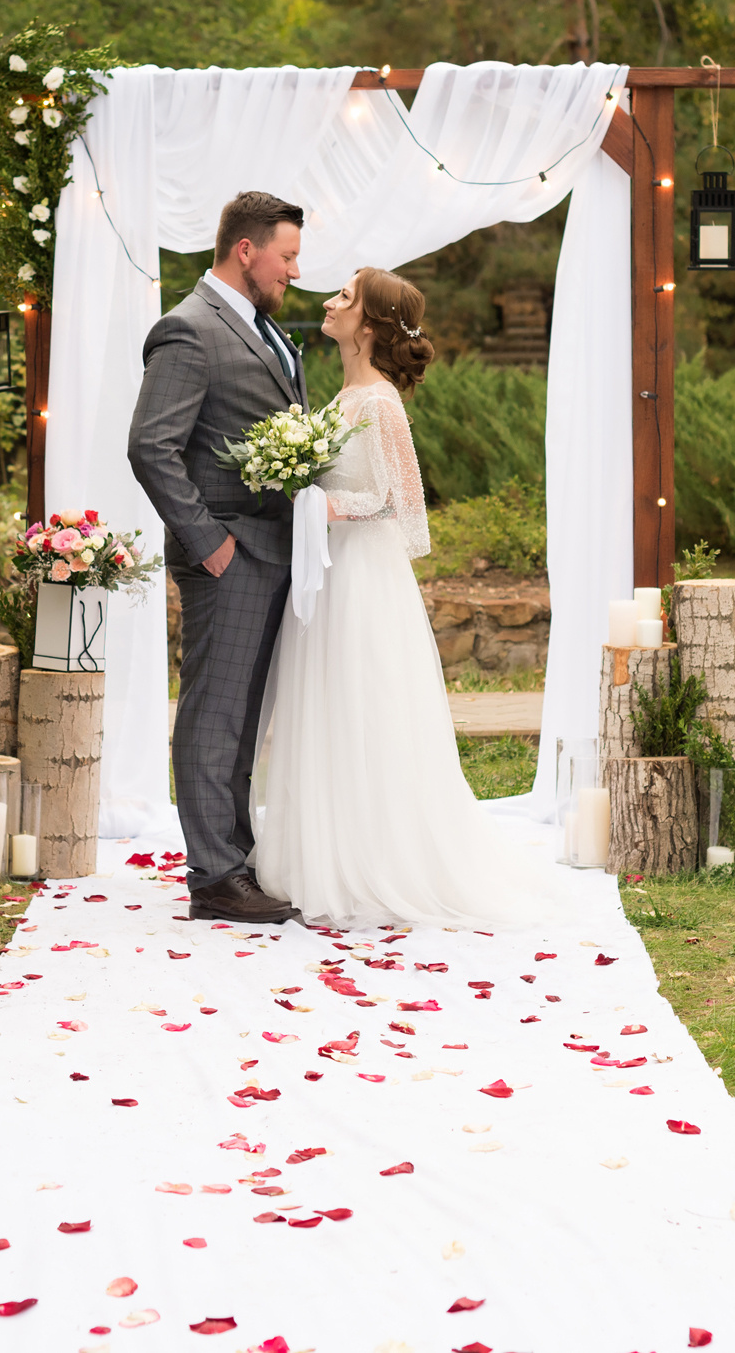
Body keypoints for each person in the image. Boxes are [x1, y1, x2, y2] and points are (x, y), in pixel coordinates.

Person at [250, 267, 570, 929]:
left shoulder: (380, 403)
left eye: (344, 297)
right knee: (328, 705)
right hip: (331, 574)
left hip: (363, 578)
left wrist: (320, 504)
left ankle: (376, 858)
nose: (330, 304)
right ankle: (324, 849)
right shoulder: (343, 396)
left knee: (366, 705)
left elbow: (400, 502)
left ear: (367, 325)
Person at [126, 191, 312, 924]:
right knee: (213, 714)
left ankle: (235, 855)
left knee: (242, 716)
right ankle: (213, 877)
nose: (294, 271)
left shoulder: (263, 328)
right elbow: (151, 446)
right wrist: (210, 544)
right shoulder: (189, 330)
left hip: (273, 552)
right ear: (247, 250)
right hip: (228, 557)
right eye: (288, 256)